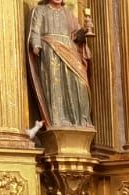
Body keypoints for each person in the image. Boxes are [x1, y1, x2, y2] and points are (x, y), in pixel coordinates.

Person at [27, 0, 94, 129]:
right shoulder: (40, 10)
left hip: (70, 50)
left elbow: (76, 37)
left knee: (80, 84)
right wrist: (36, 44)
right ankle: (59, 120)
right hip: (50, 49)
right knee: (55, 84)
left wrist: (85, 30)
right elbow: (35, 30)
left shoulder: (68, 14)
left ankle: (81, 119)